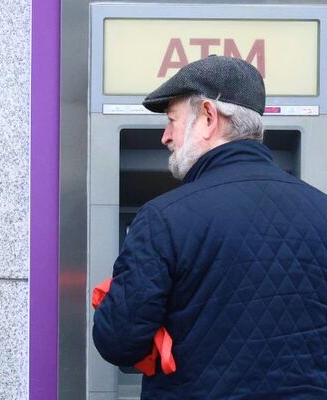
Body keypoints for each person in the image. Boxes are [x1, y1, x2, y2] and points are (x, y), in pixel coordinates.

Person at [92, 55, 327, 399]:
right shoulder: (321, 210)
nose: (165, 137)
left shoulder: (164, 218)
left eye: (172, 120)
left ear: (207, 116)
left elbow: (118, 343)